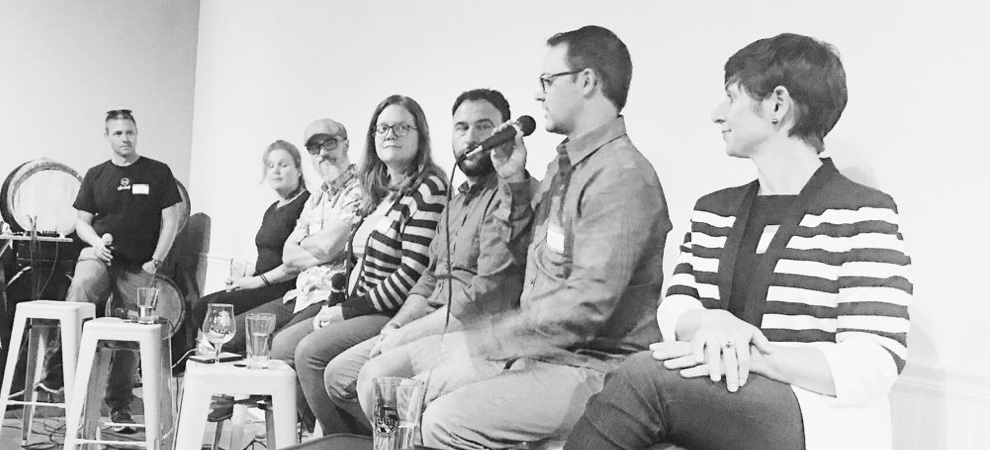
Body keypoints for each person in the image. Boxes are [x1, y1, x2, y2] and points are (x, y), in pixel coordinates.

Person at [565, 33, 913, 450]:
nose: (718, 114)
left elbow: (873, 362)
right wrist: (711, 323)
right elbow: (676, 306)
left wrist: (749, 353)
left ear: (777, 106)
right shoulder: (715, 209)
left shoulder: (863, 212)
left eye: (731, 97)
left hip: (820, 419)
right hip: (725, 402)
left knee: (644, 377)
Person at [359, 26, 672, 449]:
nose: (539, 95)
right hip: (535, 352)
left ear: (587, 81)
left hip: (594, 367)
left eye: (547, 81)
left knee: (442, 421)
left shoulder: (621, 176)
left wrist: (483, 342)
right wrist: (515, 185)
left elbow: (584, 308)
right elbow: (522, 257)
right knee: (391, 385)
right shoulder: (565, 167)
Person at [325, 89, 536, 435]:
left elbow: (486, 294)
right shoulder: (457, 198)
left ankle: (403, 435)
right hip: (431, 319)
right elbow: (427, 276)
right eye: (461, 127)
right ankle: (398, 436)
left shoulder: (510, 196)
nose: (471, 138)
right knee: (339, 375)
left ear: (506, 132)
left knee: (377, 380)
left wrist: (410, 332)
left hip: (468, 330)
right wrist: (397, 327)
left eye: (484, 127)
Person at [270, 95, 448, 435]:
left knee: (309, 353)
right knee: (283, 347)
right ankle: (323, 433)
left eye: (401, 127)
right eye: (383, 128)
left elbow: (412, 273)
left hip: (392, 310)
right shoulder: (379, 190)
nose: (390, 134)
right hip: (357, 303)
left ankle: (346, 440)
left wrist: (345, 312)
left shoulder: (429, 188)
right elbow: (349, 261)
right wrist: (337, 305)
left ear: (420, 135)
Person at [42, 109, 183, 431]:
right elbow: (82, 222)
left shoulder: (157, 172)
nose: (125, 138)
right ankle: (60, 367)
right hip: (100, 256)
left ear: (137, 133)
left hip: (140, 264)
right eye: (118, 133)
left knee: (131, 335)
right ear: (107, 136)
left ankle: (119, 406)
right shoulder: (96, 174)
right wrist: (94, 243)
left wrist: (156, 262)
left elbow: (171, 221)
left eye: (130, 132)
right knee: (82, 289)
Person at [189, 140, 310, 333]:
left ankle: (229, 355)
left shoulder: (306, 205)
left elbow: (297, 264)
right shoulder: (272, 209)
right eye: (271, 166)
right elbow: (267, 255)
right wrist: (244, 277)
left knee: (214, 308)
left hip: (282, 286)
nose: (276, 171)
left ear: (298, 170)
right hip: (260, 281)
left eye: (283, 165)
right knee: (202, 306)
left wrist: (255, 281)